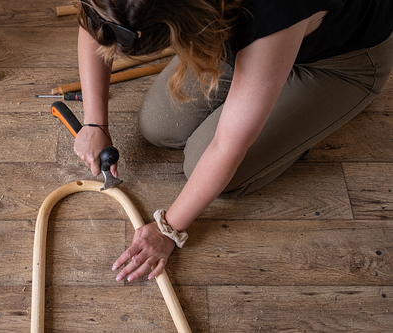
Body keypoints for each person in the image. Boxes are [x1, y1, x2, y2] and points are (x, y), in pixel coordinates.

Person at [73, 0, 393, 283]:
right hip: (238, 32)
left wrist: (168, 229)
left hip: (335, 62)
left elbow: (227, 146)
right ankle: (260, 96)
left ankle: (299, 109)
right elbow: (98, 21)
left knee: (205, 162)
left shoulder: (273, 12)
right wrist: (94, 121)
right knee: (157, 126)